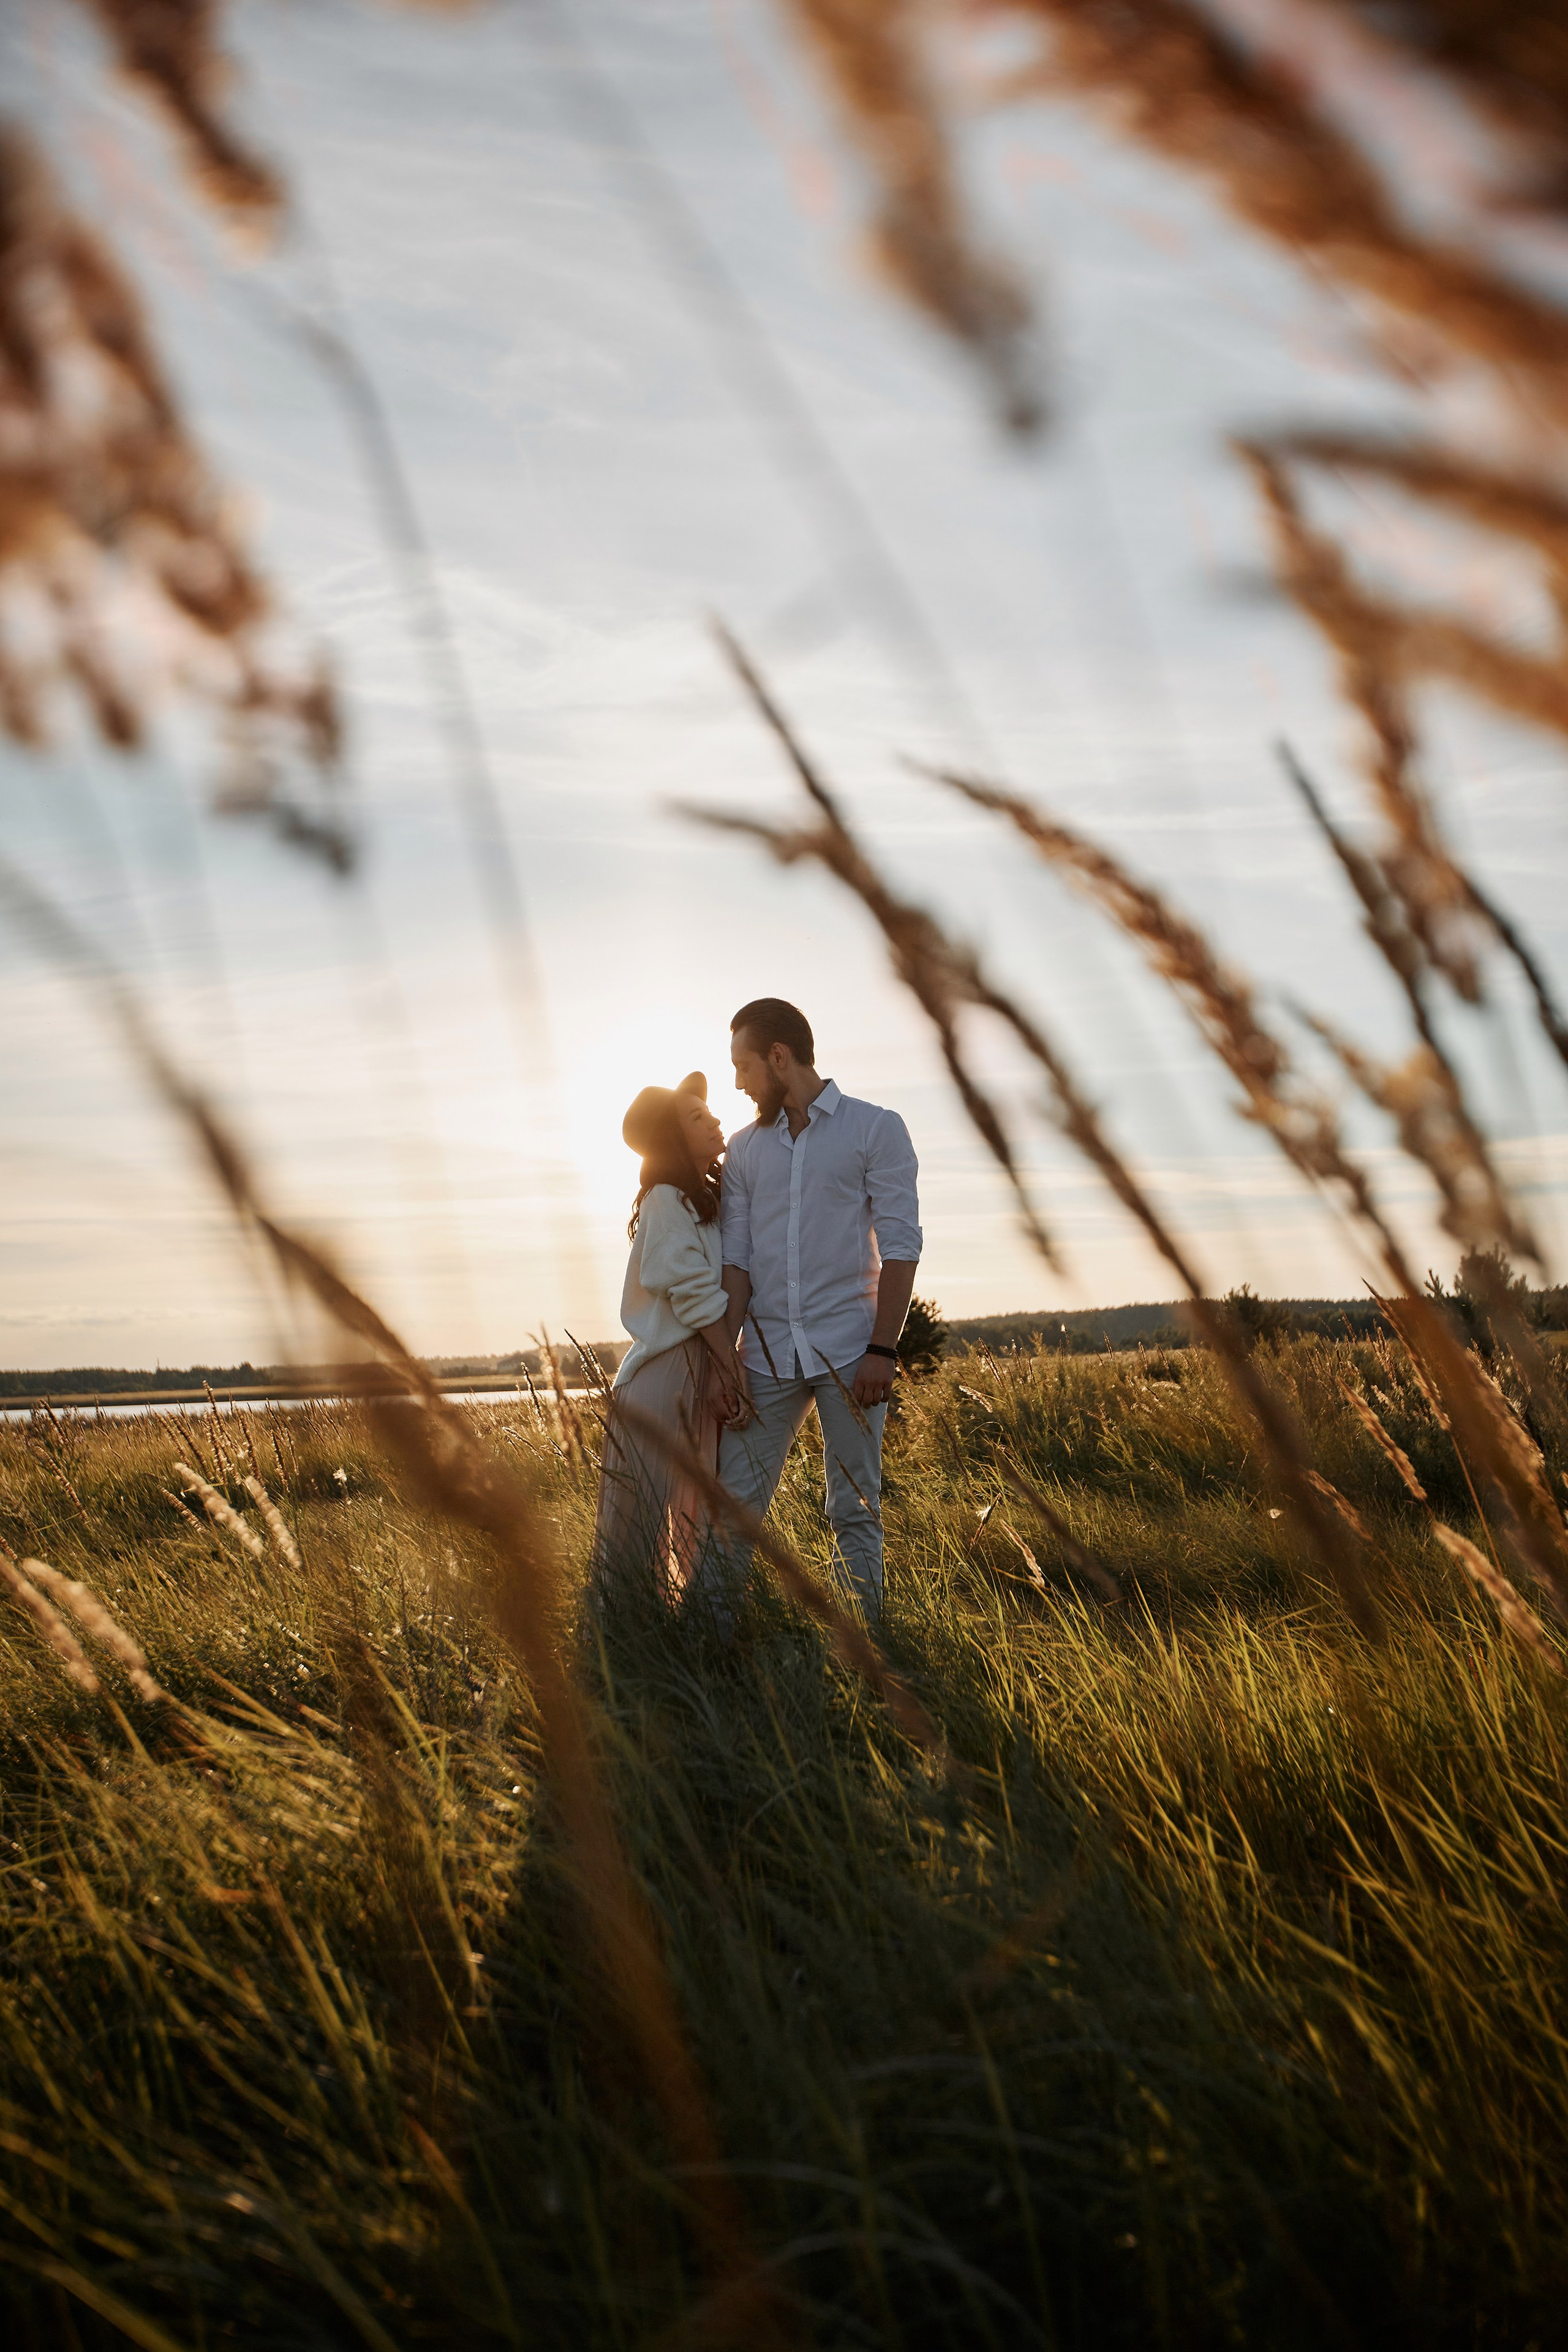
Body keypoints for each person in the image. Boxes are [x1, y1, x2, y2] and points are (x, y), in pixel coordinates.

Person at [704, 997, 921, 1625]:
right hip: (767, 1355)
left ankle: (864, 1654)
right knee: (733, 1504)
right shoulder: (744, 1151)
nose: (738, 1082)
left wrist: (883, 1348)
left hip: (852, 1350)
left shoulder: (874, 1129)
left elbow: (901, 1245)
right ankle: (711, 1644)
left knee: (854, 1507)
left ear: (779, 1057)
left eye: (744, 1066)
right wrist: (726, 1360)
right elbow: (737, 1263)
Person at [591, 1070, 752, 1603]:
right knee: (638, 1515)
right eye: (697, 1118)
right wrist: (729, 1367)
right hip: (667, 1375)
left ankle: (681, 1625)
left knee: (690, 1510)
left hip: (700, 1367)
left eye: (709, 1113)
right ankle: (619, 1627)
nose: (715, 1119)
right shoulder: (665, 1199)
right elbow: (692, 1293)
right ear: (673, 1139)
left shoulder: (709, 1200)